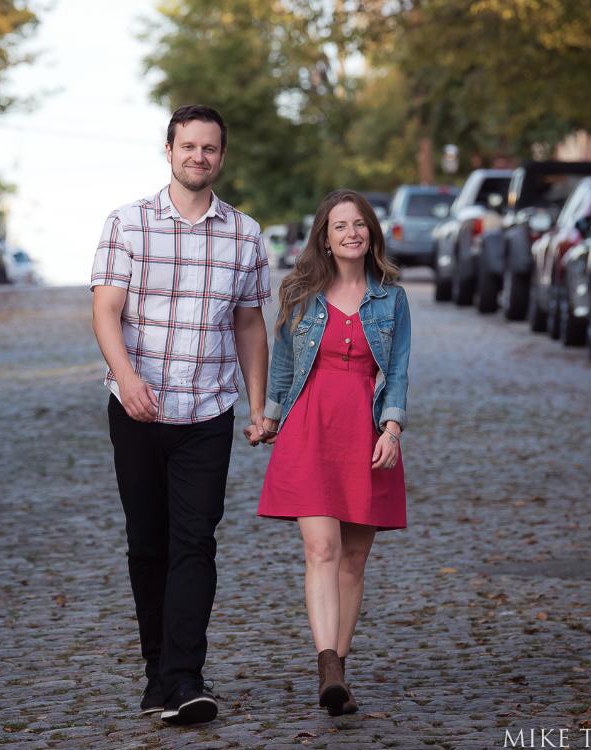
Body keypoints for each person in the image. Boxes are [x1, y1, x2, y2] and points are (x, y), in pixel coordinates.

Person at [90, 104, 271, 726]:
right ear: (168, 150)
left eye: (210, 148)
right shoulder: (127, 224)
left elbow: (249, 323)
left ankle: (185, 678)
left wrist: (256, 404)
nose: (199, 156)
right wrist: (127, 378)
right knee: (149, 545)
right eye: (188, 146)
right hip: (137, 411)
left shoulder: (245, 234)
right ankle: (156, 673)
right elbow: (105, 311)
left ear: (222, 156)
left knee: (195, 541)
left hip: (207, 411)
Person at [256, 188, 411, 716]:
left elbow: (400, 372)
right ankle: (328, 665)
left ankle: (337, 672)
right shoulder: (299, 292)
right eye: (340, 225)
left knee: (353, 557)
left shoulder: (391, 297)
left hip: (365, 434)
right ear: (324, 236)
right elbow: (282, 362)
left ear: (371, 234)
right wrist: (268, 417)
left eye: (359, 225)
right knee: (320, 550)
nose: (351, 233)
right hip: (309, 428)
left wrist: (391, 430)